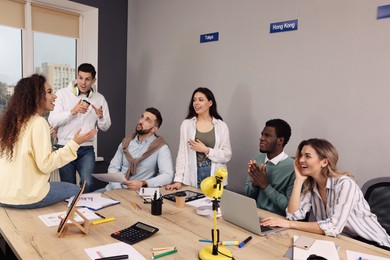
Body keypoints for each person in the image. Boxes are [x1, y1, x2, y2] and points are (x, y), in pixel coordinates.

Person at [261, 138, 390, 249]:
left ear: (324, 162)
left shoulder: (345, 184)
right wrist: (299, 180)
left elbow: (333, 227)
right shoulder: (312, 186)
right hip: (342, 241)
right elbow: (293, 215)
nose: (300, 160)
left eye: (308, 156)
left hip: (373, 244)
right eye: (301, 155)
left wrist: (289, 224)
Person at [0, 74, 97, 209]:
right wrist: (75, 143)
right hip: (24, 197)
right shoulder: (38, 122)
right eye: (50, 92)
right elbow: (45, 165)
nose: (55, 96)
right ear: (36, 96)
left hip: (3, 194)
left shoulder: (13, 123)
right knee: (76, 190)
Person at [48, 63, 111, 192]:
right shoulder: (62, 94)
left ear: (94, 80)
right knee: (68, 186)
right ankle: (71, 211)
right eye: (80, 77)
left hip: (86, 148)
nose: (83, 82)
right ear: (76, 77)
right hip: (65, 146)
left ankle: (85, 211)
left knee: (88, 183)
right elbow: (52, 120)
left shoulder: (99, 99)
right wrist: (72, 112)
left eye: (87, 79)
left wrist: (101, 117)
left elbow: (105, 127)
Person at [165, 87, 232, 190]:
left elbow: (227, 155)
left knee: (215, 206)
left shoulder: (221, 126)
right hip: (193, 173)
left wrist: (206, 150)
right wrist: (178, 180)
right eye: (194, 100)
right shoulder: (186, 124)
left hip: (214, 174)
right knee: (193, 205)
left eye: (201, 100)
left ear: (210, 103)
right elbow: (182, 153)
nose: (196, 103)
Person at [101, 107, 174, 191]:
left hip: (137, 194)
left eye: (147, 120)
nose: (141, 121)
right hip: (114, 189)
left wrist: (143, 183)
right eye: (142, 117)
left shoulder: (161, 148)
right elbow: (113, 168)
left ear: (154, 129)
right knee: (85, 199)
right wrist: (117, 188)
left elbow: (167, 176)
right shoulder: (126, 142)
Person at [244, 119, 295, 216]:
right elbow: (248, 195)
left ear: (280, 140)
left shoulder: (293, 168)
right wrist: (254, 184)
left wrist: (265, 186)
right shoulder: (257, 159)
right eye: (262, 134)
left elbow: (289, 207)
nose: (261, 138)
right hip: (256, 214)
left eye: (267, 136)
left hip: (278, 220)